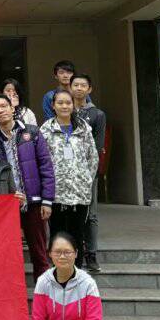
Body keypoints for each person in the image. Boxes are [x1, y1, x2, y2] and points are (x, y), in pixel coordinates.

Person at [0, 94, 55, 281]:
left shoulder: (32, 132)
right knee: (7, 252)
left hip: (33, 201)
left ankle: (43, 291)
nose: (1, 110)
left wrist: (47, 201)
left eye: (4, 106)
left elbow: (46, 166)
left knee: (39, 252)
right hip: (6, 206)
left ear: (12, 108)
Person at [40, 90, 99, 268]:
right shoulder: (45, 130)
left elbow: (92, 158)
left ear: (73, 105)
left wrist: (86, 180)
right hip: (56, 193)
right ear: (53, 106)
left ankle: (76, 273)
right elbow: (42, 161)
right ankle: (58, 272)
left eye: (68, 103)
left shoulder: (83, 128)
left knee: (77, 234)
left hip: (79, 193)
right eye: (60, 103)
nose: (64, 106)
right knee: (57, 234)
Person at [71, 74, 107, 274]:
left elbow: (98, 146)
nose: (79, 88)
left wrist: (88, 171)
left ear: (89, 89)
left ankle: (91, 254)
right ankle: (73, 252)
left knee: (90, 214)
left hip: (87, 172)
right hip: (66, 173)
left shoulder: (97, 115)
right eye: (75, 85)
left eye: (83, 85)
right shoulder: (64, 110)